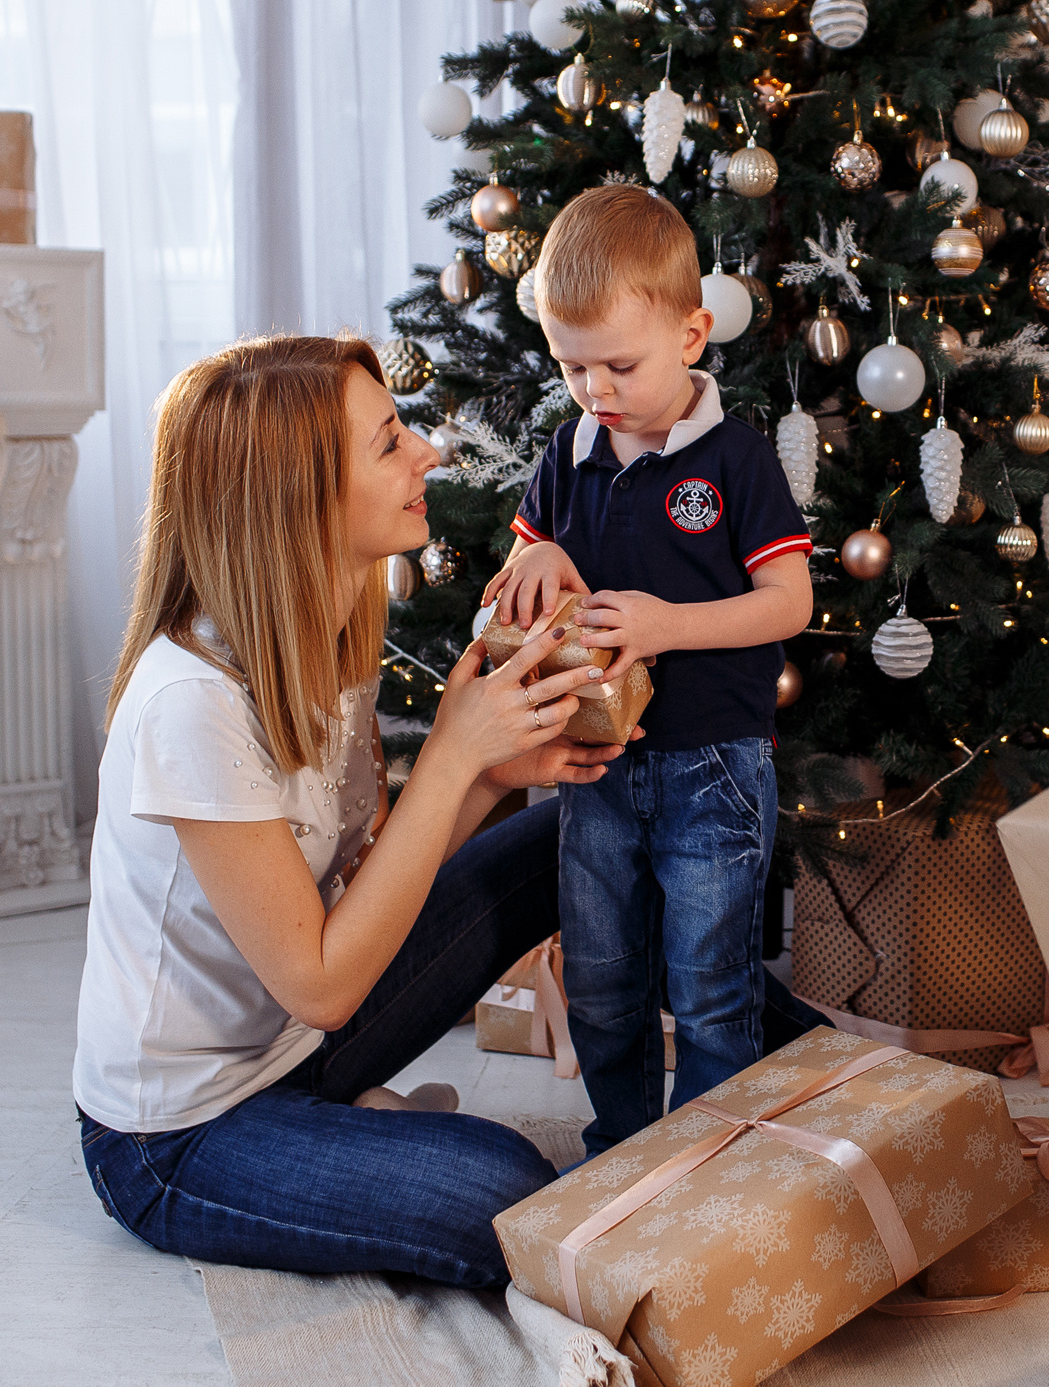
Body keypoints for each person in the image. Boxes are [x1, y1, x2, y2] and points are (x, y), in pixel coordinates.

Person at [73, 335, 630, 1286]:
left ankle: (780, 1086)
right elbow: (323, 984)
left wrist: (494, 776)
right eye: (388, 443)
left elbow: (366, 879)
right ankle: (347, 1134)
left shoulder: (320, 639)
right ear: (299, 499)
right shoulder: (190, 703)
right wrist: (454, 757)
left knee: (563, 832)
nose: (427, 455)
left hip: (301, 1047)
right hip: (183, 1134)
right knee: (507, 1188)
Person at [483, 185, 814, 1156]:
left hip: (714, 764)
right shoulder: (567, 452)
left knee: (711, 985)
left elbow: (788, 602)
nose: (597, 389)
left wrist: (668, 623)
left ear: (692, 332)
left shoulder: (738, 462)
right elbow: (523, 565)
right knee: (602, 975)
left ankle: (710, 1162)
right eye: (571, 365)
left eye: (619, 363)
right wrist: (531, 557)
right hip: (596, 768)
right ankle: (625, 1149)